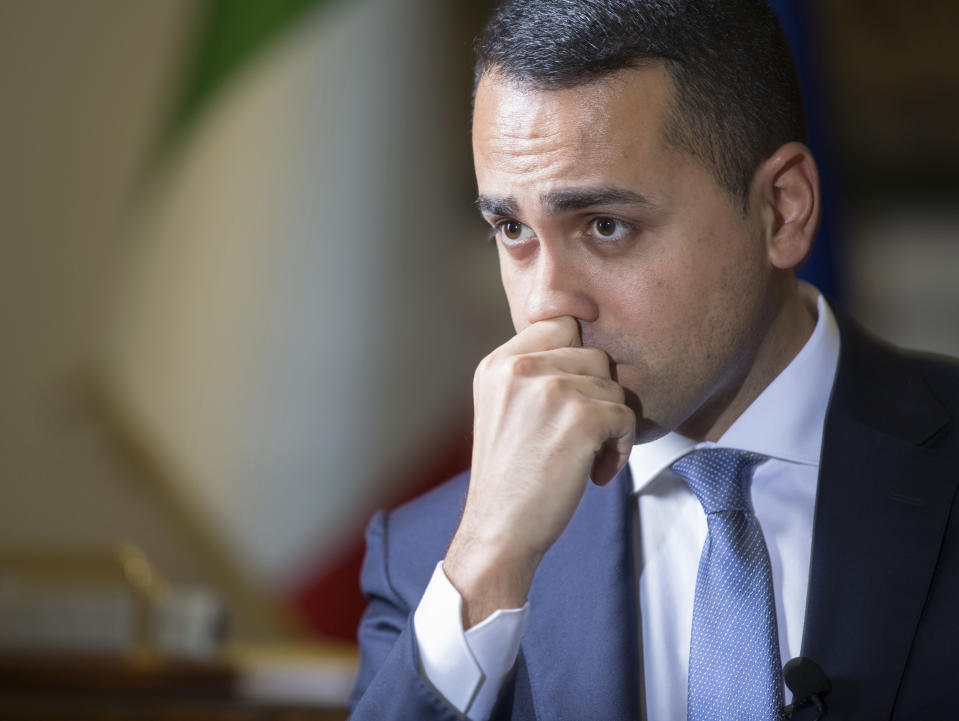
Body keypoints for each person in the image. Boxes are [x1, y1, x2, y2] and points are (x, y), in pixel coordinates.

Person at [347, 1, 959, 719]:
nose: (548, 305)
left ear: (781, 209)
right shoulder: (432, 561)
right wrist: (486, 564)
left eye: (605, 226)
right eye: (511, 229)